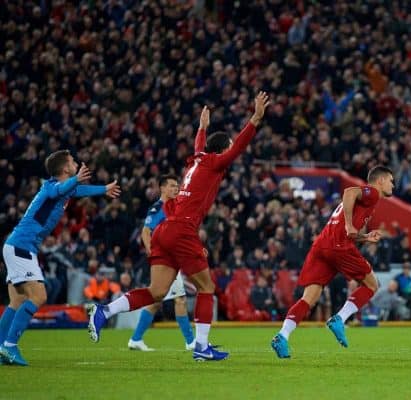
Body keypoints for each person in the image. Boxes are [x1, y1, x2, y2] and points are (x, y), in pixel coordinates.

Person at [88, 92, 270, 362]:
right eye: (227, 149)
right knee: (207, 288)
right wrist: (255, 119)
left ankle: (105, 311)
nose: (230, 155)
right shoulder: (214, 162)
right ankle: (201, 347)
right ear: (221, 150)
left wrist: (202, 128)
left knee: (157, 292)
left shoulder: (197, 161)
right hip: (182, 230)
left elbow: (200, 147)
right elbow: (238, 147)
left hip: (166, 229)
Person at [0, 150, 120, 366]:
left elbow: (78, 190)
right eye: (73, 162)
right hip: (22, 246)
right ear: (66, 168)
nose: (75, 163)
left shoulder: (62, 189)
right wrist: (76, 179)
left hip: (16, 245)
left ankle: (2, 347)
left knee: (17, 300)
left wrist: (104, 189)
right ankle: (9, 346)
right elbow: (61, 190)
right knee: (39, 296)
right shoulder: (50, 187)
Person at [271, 165, 394, 358]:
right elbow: (349, 192)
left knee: (309, 298)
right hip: (338, 246)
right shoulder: (372, 193)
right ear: (380, 180)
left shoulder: (368, 202)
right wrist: (348, 224)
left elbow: (352, 232)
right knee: (372, 284)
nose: (392, 185)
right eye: (391, 180)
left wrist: (365, 237)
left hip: (322, 245)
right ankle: (340, 319)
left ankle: (282, 336)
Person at [127, 175, 195, 352]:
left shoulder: (173, 208)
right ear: (162, 188)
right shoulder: (158, 208)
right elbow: (145, 232)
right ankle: (191, 342)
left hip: (171, 259)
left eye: (177, 186)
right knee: (179, 299)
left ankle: (136, 339)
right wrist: (153, 254)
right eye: (172, 186)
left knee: (156, 300)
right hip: (165, 261)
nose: (176, 189)